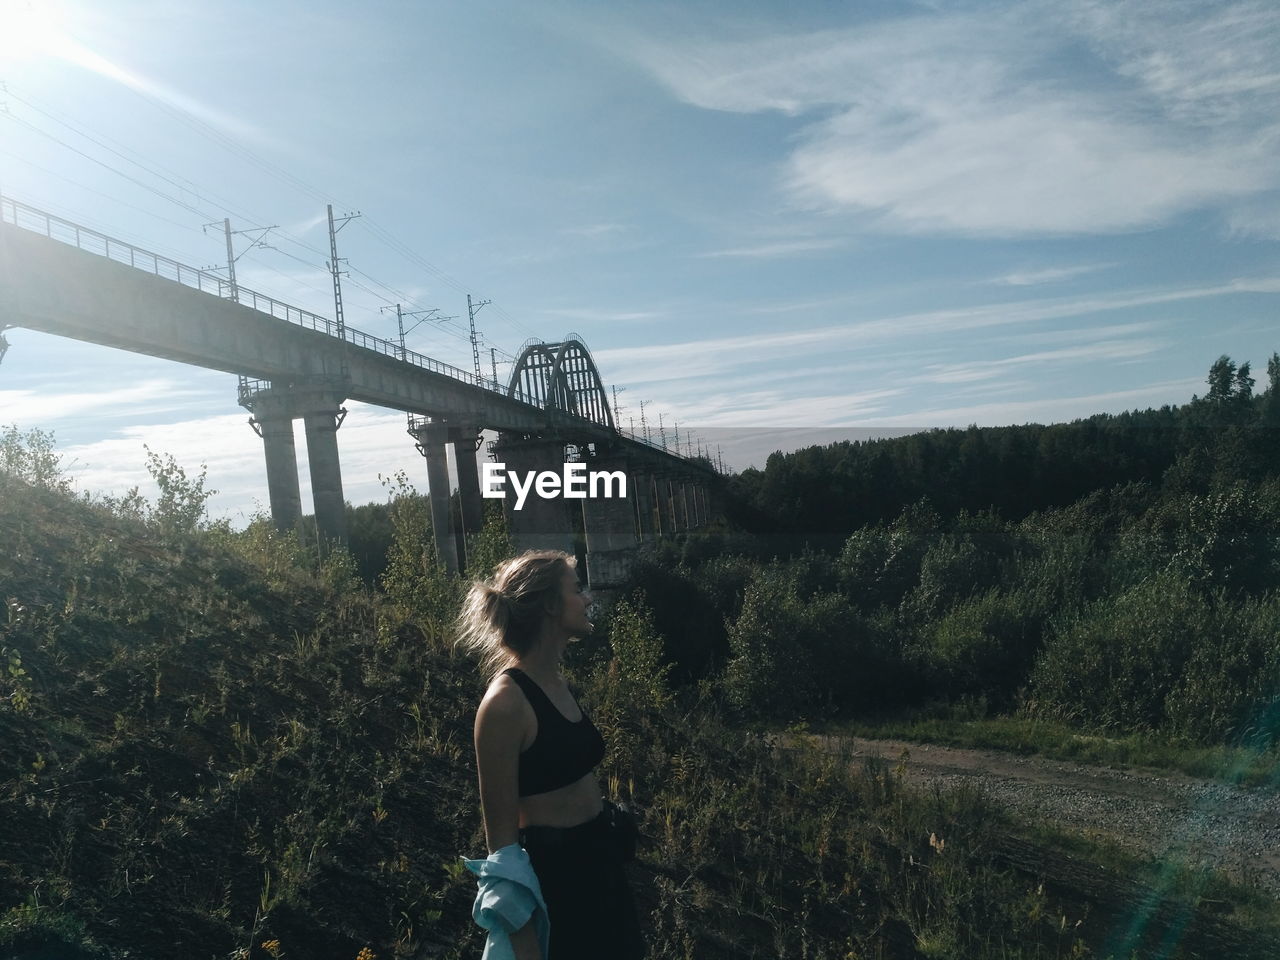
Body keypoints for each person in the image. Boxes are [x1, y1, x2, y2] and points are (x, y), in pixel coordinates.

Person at [457, 549, 645, 960]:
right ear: (549, 605)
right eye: (577, 589)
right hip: (560, 889)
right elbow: (502, 848)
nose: (589, 598)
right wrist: (525, 944)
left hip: (602, 875)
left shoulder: (556, 683)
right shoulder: (505, 704)